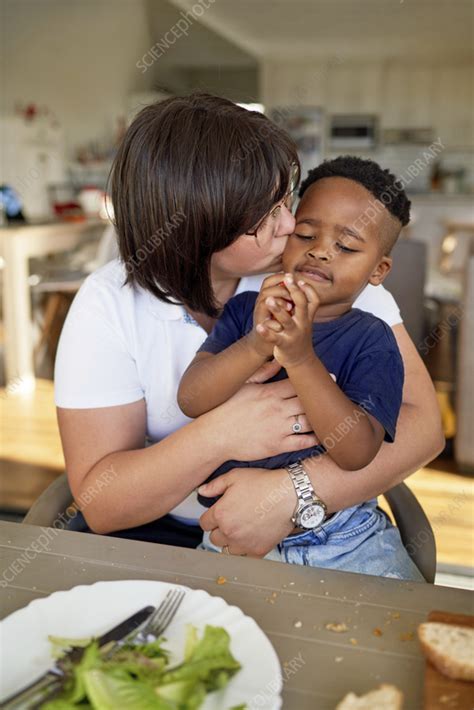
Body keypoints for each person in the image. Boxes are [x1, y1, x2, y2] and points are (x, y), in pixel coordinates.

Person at [54, 93, 443, 570]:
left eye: (286, 199)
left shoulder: (325, 281)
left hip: (326, 529)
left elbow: (423, 429)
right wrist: (224, 432)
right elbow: (102, 501)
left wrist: (290, 496)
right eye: (263, 215)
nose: (289, 225)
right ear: (196, 225)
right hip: (168, 540)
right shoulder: (108, 303)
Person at [177, 157, 423, 579]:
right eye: (306, 234)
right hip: (231, 539)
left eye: (346, 247)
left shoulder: (372, 339)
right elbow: (192, 398)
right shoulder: (243, 313)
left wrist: (301, 358)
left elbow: (357, 452)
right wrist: (258, 343)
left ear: (378, 270)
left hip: (345, 537)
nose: (321, 249)